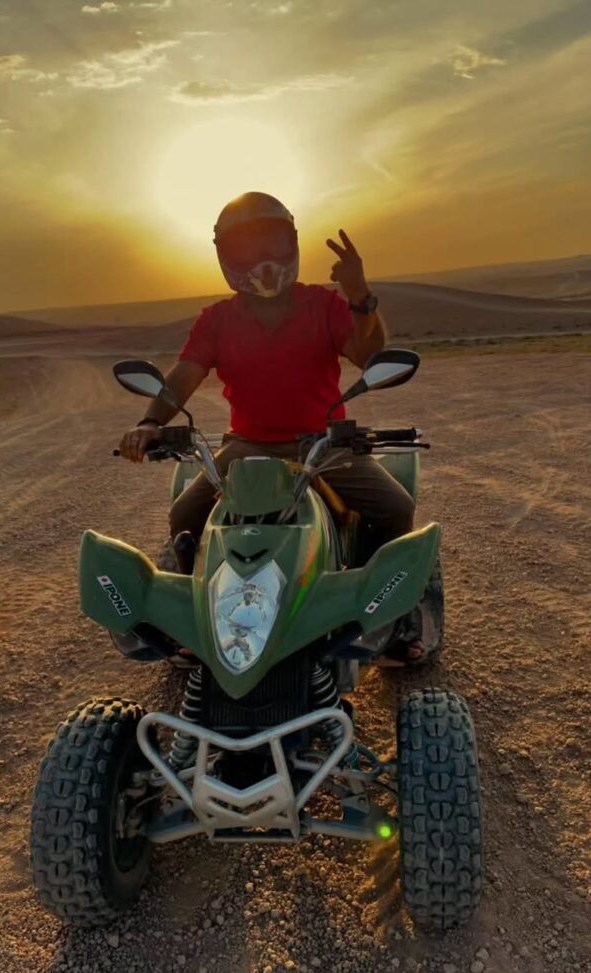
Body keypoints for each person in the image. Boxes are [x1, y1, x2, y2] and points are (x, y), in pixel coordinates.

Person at [118, 191, 424, 659]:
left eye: (273, 243)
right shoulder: (217, 320)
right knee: (185, 515)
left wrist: (359, 295)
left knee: (394, 508)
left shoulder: (323, 305)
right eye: (247, 248)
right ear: (226, 257)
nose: (263, 259)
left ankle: (386, 619)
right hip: (247, 448)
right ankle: (198, 625)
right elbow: (183, 376)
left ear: (292, 243)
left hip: (324, 446)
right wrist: (150, 421)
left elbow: (368, 356)